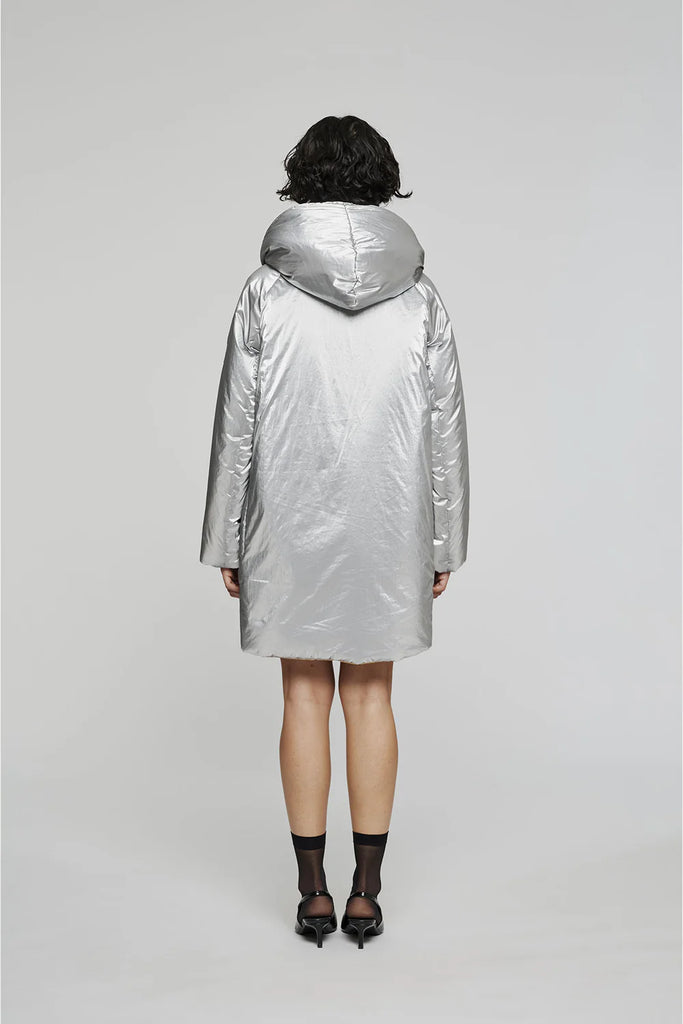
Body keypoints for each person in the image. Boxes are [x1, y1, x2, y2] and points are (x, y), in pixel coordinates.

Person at [199, 115, 470, 947]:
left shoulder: (265, 289)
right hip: (390, 515)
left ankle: (312, 892)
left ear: (302, 179)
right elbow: (444, 425)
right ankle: (367, 894)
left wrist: (227, 537)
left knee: (303, 693)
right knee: (371, 693)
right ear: (382, 178)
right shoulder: (419, 294)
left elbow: (236, 422)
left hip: (287, 515)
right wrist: (444, 540)